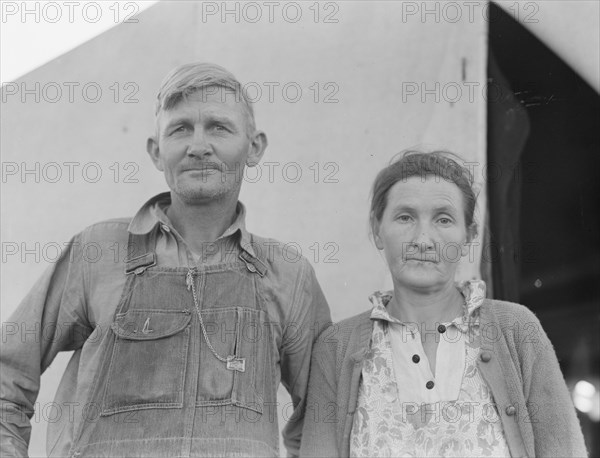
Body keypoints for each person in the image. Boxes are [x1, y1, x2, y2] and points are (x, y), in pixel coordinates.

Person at [0, 62, 331, 458]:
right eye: (180, 129)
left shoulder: (288, 274)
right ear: (157, 152)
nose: (198, 146)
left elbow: (324, 415)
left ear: (254, 147)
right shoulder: (98, 252)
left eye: (218, 127)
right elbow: (7, 372)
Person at [300, 151, 587, 457]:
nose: (423, 239)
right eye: (405, 217)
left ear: (469, 235)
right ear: (377, 229)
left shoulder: (516, 329)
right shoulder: (336, 348)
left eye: (443, 219)